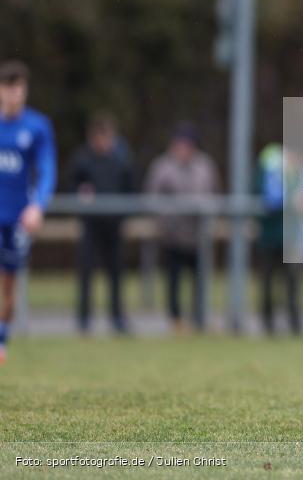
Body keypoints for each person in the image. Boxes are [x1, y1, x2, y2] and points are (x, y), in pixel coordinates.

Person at [0, 60, 56, 363]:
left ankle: (2, 338)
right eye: (8, 87)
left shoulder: (37, 127)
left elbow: (47, 169)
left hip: (19, 218)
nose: (13, 94)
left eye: (19, 88)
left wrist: (38, 205)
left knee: (8, 287)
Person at [145, 122, 219, 332]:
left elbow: (214, 193)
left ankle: (199, 319)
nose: (184, 149)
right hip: (173, 235)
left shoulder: (204, 165)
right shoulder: (162, 166)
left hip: (198, 235)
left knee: (200, 281)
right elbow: (152, 197)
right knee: (174, 280)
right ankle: (175, 320)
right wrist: (168, 216)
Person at [66, 113, 135, 334]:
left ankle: (117, 319)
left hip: (113, 226)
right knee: (86, 272)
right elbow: (71, 184)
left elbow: (131, 187)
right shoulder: (82, 159)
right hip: (91, 225)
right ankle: (84, 320)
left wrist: (123, 215)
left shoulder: (122, 158)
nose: (102, 143)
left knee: (116, 274)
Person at [255, 143, 303, 335]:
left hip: (288, 239)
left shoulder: (294, 176)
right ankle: (269, 324)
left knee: (291, 284)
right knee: (268, 283)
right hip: (270, 239)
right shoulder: (265, 175)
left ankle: (294, 325)